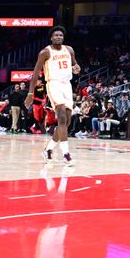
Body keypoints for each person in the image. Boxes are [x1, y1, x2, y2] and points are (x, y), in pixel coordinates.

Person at [26, 26, 80, 166]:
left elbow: (75, 65)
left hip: (67, 85)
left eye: (60, 35)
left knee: (66, 122)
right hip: (53, 84)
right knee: (61, 117)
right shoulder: (45, 52)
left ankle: (48, 149)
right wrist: (30, 93)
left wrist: (76, 68)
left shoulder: (69, 50)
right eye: (55, 35)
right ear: (51, 38)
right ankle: (66, 154)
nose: (58, 37)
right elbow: (36, 73)